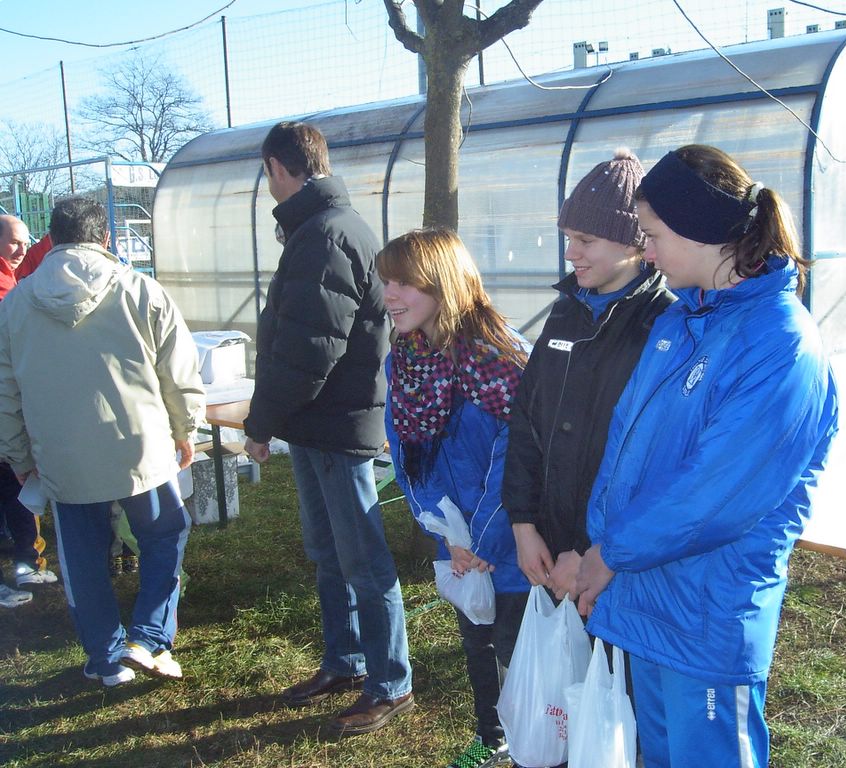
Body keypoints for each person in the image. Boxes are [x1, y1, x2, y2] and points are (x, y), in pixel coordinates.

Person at [576, 145, 840, 768]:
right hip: (647, 595)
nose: (645, 252)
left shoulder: (780, 344)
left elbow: (715, 494)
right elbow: (628, 444)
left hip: (707, 613)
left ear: (699, 231)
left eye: (652, 235)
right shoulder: (681, 323)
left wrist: (610, 553)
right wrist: (603, 542)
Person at [242, 121, 413, 736]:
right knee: (329, 555)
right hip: (320, 424)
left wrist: (261, 424)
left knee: (362, 559)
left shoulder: (327, 234)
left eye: (266, 173)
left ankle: (390, 683)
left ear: (277, 167)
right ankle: (345, 660)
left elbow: (307, 350)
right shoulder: (319, 228)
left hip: (338, 425)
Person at [0, 196, 204, 686]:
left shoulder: (15, 304)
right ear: (106, 238)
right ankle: (149, 637)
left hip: (61, 454)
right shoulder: (142, 290)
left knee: (83, 557)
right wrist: (186, 430)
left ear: (52, 238)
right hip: (140, 447)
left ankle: (107, 658)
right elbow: (178, 372)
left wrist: (20, 455)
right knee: (164, 535)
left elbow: (4, 391)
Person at [379, 228, 530, 768]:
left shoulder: (504, 357)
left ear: (442, 284)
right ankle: (491, 738)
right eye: (386, 282)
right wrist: (445, 531)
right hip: (459, 542)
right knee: (477, 640)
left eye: (404, 283)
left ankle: (535, 748)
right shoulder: (406, 359)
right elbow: (405, 449)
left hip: (513, 540)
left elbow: (520, 456)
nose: (389, 295)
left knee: (518, 648)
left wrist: (482, 539)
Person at [503, 149, 674, 604]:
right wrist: (523, 524)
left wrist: (586, 550)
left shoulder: (663, 325)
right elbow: (526, 420)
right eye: (567, 238)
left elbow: (652, 459)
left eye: (585, 240)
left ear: (633, 243)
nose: (570, 253)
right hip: (549, 544)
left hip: (611, 560)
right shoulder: (566, 313)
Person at [0, 215, 56, 610]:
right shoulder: (7, 288)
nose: (21, 249)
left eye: (25, 242)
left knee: (13, 483)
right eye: (13, 242)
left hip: (10, 406)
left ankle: (26, 561)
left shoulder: (13, 278)